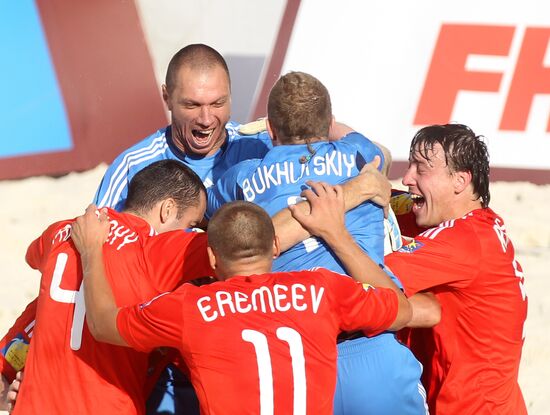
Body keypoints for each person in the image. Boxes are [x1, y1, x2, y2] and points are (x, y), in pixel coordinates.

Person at [208, 71, 430, 414]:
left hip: (298, 362)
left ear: (270, 130)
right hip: (373, 349)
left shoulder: (241, 178)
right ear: (329, 122)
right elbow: (380, 154)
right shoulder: (360, 155)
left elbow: (207, 212)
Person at [71, 200, 414, 415]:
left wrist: (92, 250)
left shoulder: (190, 307)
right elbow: (401, 309)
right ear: (276, 246)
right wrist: (340, 237)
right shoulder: (322, 289)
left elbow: (103, 325)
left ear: (211, 258)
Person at [9, 160, 213, 414]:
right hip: (105, 405)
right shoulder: (155, 251)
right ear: (167, 210)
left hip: (36, 406)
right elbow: (237, 246)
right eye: (191, 224)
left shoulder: (62, 231)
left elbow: (33, 255)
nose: (190, 232)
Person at [384, 124, 528, 414]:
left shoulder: (460, 240)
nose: (408, 177)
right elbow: (390, 203)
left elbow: (371, 282)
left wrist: (331, 230)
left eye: (421, 169)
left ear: (460, 181)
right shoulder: (477, 224)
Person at [94, 43, 273, 212]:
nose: (206, 119)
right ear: (167, 98)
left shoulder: (265, 149)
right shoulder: (132, 167)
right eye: (192, 105)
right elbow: (95, 238)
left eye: (217, 103)